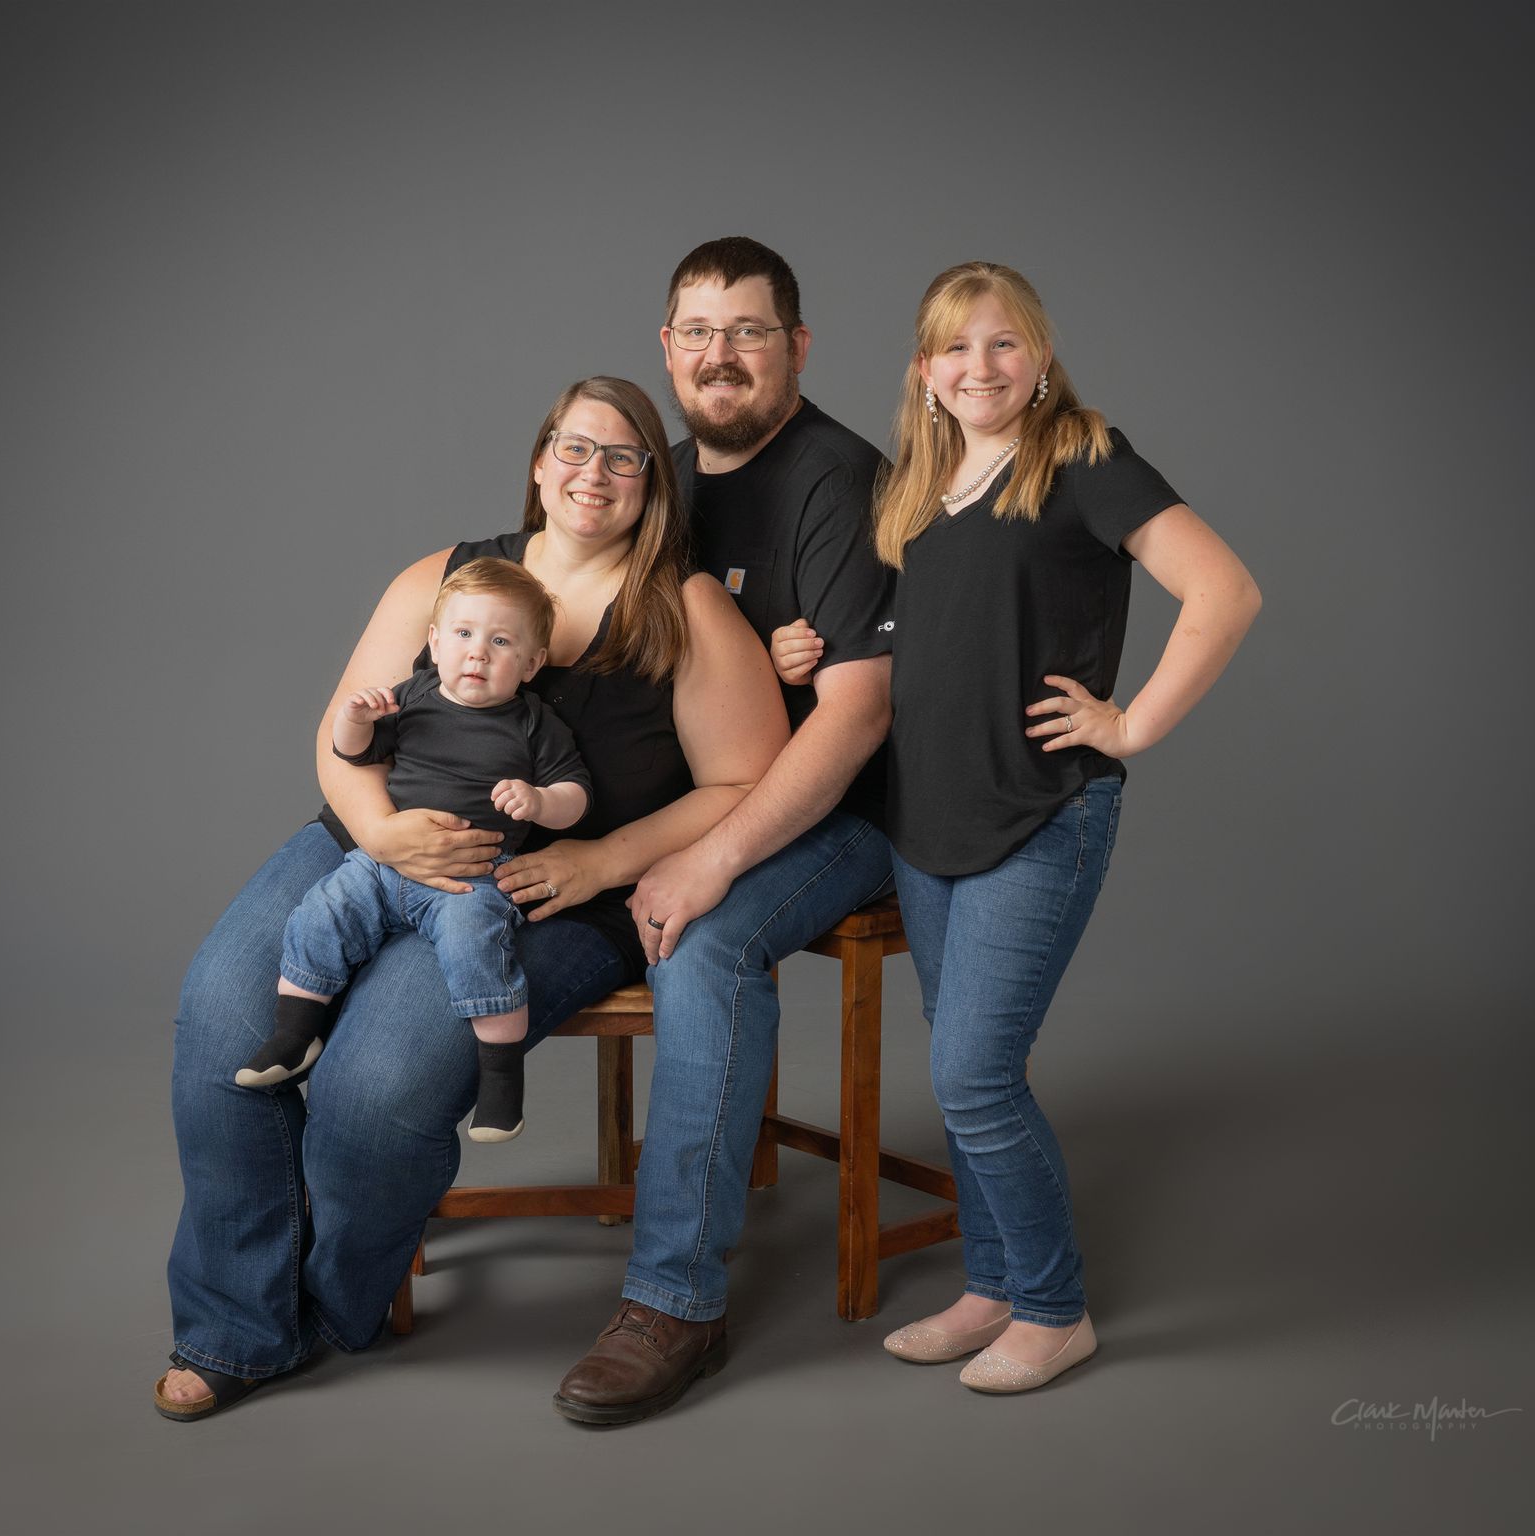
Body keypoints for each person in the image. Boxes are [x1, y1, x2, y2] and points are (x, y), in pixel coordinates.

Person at [154, 376, 788, 1422]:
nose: (594, 473)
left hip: (547, 890)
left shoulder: (684, 608)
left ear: (653, 483)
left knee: (378, 1083)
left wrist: (603, 859)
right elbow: (343, 732)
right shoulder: (442, 577)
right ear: (540, 461)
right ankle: (234, 1329)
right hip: (367, 847)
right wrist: (378, 832)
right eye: (574, 447)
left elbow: (746, 780)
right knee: (220, 1020)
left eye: (624, 457)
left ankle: (327, 1309)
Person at [856, 260, 1260, 1393]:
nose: (979, 367)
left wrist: (1131, 724)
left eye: (1003, 343)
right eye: (955, 347)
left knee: (975, 1075)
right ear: (924, 370)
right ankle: (989, 1286)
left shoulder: (1084, 457)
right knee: (960, 1069)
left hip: (1040, 813)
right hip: (926, 822)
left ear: (1040, 357)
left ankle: (1053, 1307)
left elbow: (1225, 591)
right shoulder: (919, 482)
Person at [550, 238, 897, 1426]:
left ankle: (676, 1301)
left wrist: (707, 856)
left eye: (748, 331)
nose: (720, 356)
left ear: (796, 346)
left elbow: (857, 717)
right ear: (667, 348)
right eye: (698, 332)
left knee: (704, 942)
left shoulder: (837, 481)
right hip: (710, 795)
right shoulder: (661, 480)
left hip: (847, 811)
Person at [234, 557, 593, 1145]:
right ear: (434, 642)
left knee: (478, 945)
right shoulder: (416, 695)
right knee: (322, 911)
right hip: (384, 864)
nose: (477, 653)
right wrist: (353, 720)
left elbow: (576, 795)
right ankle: (294, 1034)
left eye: (501, 642)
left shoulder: (535, 724)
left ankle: (501, 1084)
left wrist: (540, 801)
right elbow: (356, 754)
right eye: (463, 633)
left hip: (474, 874)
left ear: (532, 664)